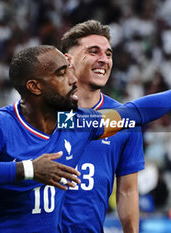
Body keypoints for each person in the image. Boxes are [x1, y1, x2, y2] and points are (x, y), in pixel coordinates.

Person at [0, 45, 171, 232]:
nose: (72, 79)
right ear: (34, 87)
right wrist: (30, 169)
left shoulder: (75, 123)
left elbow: (134, 113)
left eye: (69, 70)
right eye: (61, 73)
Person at [59, 20, 144, 232]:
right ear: (68, 60)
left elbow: (127, 192)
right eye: (94, 52)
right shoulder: (43, 110)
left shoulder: (124, 120)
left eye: (108, 54)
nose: (103, 60)